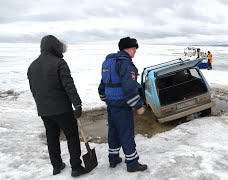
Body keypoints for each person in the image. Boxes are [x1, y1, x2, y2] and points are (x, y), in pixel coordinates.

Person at [27, 35, 88, 177]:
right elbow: (69, 86)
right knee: (72, 135)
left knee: (52, 136)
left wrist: (41, 105)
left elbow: (33, 89)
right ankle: (76, 167)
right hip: (62, 109)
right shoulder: (59, 63)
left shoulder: (32, 66)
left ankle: (56, 165)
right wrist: (77, 104)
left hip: (44, 110)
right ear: (54, 47)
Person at [98, 37, 148, 172]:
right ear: (129, 49)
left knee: (113, 132)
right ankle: (132, 164)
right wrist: (138, 105)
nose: (135, 52)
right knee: (126, 133)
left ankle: (113, 159)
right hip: (122, 104)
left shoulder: (108, 62)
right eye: (134, 49)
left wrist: (105, 97)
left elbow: (103, 83)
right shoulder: (125, 64)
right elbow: (129, 87)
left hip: (111, 103)